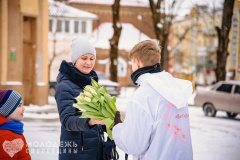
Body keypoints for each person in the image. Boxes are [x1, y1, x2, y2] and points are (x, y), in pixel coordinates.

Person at [113, 40, 193, 160]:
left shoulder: (142, 96)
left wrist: (118, 128)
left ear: (137, 62)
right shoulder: (175, 89)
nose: (132, 68)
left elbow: (133, 145)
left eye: (132, 64)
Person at [55, 38, 105, 160]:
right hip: (76, 153)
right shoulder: (65, 87)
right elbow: (67, 121)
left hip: (95, 151)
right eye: (84, 58)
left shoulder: (93, 84)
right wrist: (89, 121)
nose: (88, 62)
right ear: (75, 60)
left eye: (92, 58)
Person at [0, 90, 31, 160]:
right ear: (7, 109)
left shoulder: (14, 130)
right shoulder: (7, 136)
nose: (23, 108)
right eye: (19, 105)